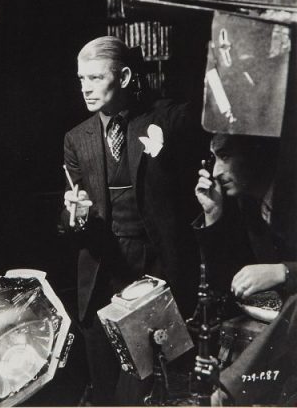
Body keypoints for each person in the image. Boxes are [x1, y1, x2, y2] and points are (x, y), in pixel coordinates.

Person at [63, 36, 202, 405]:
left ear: (123, 77)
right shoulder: (77, 139)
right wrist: (75, 215)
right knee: (107, 391)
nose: (85, 88)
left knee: (154, 387)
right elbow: (71, 217)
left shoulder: (164, 119)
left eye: (95, 78)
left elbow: (200, 115)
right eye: (81, 79)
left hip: (158, 271)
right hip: (103, 275)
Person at [194, 133, 297, 405]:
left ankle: (228, 392)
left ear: (257, 151)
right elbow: (227, 283)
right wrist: (213, 214)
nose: (216, 172)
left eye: (225, 156)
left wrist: (283, 272)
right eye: (214, 158)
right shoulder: (248, 202)